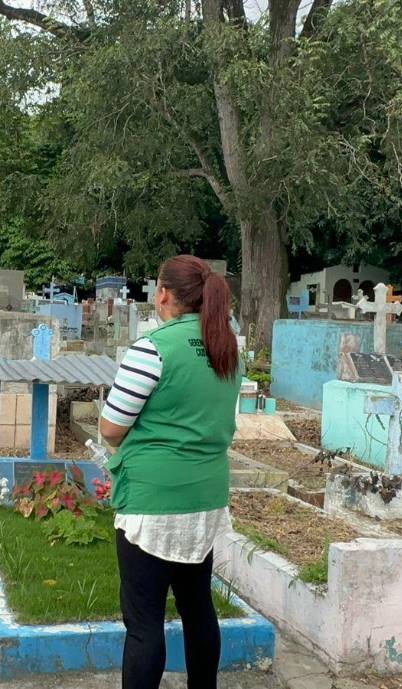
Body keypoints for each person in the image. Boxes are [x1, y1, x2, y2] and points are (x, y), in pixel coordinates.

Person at [99, 255, 241, 689]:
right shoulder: (225, 348)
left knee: (144, 622)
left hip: (153, 500)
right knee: (198, 607)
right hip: (205, 497)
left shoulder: (152, 349)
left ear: (163, 294)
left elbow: (110, 428)